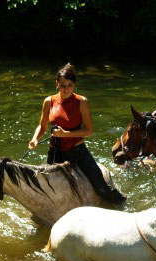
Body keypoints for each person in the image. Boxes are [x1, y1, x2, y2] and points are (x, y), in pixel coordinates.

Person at [28, 63, 125, 203]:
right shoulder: (48, 101)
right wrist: (35, 139)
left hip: (77, 151)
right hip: (54, 151)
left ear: (74, 84)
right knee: (41, 186)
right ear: (57, 84)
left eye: (70, 85)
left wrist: (65, 134)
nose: (66, 89)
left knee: (102, 188)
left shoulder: (82, 101)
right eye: (62, 85)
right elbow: (42, 126)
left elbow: (89, 131)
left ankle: (121, 203)